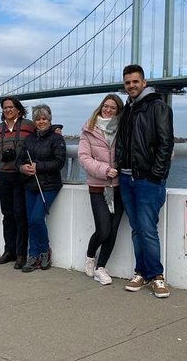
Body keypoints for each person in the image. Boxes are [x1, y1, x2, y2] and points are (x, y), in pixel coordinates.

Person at [115, 64, 174, 298]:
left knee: (148, 229)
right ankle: (141, 272)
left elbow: (165, 143)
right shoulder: (127, 110)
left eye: (135, 81)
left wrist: (156, 174)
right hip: (126, 177)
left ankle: (157, 276)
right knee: (136, 229)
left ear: (144, 82)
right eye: (127, 82)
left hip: (147, 179)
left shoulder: (159, 107)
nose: (131, 86)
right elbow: (121, 143)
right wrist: (120, 165)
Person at [78, 94, 125, 285]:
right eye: (105, 106)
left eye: (113, 108)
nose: (108, 110)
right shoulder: (89, 129)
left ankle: (101, 267)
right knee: (103, 230)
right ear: (100, 107)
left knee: (113, 231)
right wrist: (105, 170)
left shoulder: (124, 128)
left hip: (120, 187)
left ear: (118, 111)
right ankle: (90, 256)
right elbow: (84, 158)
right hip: (98, 187)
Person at [0, 96, 35, 268]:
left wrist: (56, 130)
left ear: (18, 109)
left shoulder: (29, 125)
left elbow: (41, 137)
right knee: (7, 215)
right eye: (5, 107)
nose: (7, 110)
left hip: (22, 176)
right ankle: (9, 251)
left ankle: (21, 254)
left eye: (11, 107)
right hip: (5, 176)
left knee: (20, 215)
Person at [17, 104, 66, 273]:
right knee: (30, 221)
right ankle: (33, 255)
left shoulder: (57, 138)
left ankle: (45, 251)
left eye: (44, 118)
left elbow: (59, 162)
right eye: (38, 119)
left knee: (37, 218)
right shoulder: (29, 139)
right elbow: (20, 161)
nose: (41, 122)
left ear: (50, 119)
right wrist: (23, 168)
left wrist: (39, 167)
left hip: (49, 185)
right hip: (31, 184)